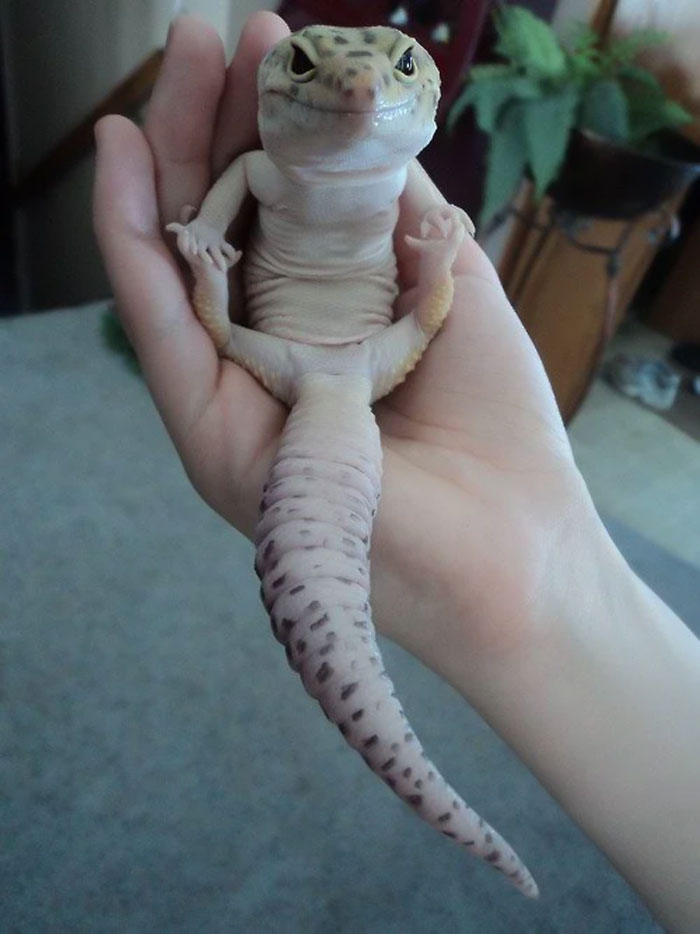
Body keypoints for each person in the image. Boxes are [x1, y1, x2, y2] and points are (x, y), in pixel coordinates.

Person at [93, 12, 700, 931]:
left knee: (254, 323)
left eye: (398, 71)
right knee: (227, 320)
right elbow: (217, 223)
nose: (361, 89)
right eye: (312, 68)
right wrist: (208, 248)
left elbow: (422, 294)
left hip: (345, 367)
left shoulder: (396, 173)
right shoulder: (261, 168)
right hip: (324, 364)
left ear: (428, 96)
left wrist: (437, 257)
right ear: (273, 94)